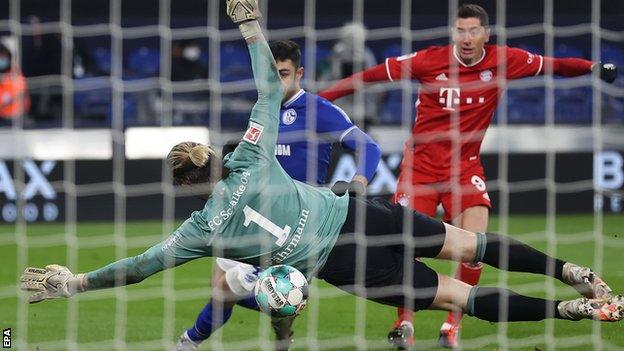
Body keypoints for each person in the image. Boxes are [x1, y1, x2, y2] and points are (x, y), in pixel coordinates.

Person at [20, 3, 623, 351]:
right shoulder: (252, 153)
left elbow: (138, 267)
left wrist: (76, 283)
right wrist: (252, 27)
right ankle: (575, 274)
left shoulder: (199, 230)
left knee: (458, 296)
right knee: (473, 245)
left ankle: (571, 314)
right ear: (215, 157)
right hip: (359, 212)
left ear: (184, 188)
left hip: (345, 264)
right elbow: (265, 87)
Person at [317, 4, 618, 349]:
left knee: (476, 246)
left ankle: (451, 327)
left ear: (486, 35)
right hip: (421, 169)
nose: (466, 38)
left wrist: (592, 67)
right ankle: (404, 325)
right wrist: (317, 102)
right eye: (460, 31)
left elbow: (555, 66)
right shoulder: (430, 59)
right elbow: (369, 76)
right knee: (404, 245)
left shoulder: (506, 60)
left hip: (465, 168)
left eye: (473, 31)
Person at [176, 39, 381, 351]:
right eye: (270, 75)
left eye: (283, 74)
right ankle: (272, 333)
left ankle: (193, 341)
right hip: (249, 214)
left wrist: (360, 183)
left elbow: (369, 146)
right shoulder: (262, 112)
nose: (275, 82)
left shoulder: (318, 110)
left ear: (299, 73)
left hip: (294, 225)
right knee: (221, 289)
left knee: (249, 293)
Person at [0, 42, 30, 126]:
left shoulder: (15, 74)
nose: (1, 59)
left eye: (3, 57)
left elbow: (21, 94)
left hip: (16, 119)